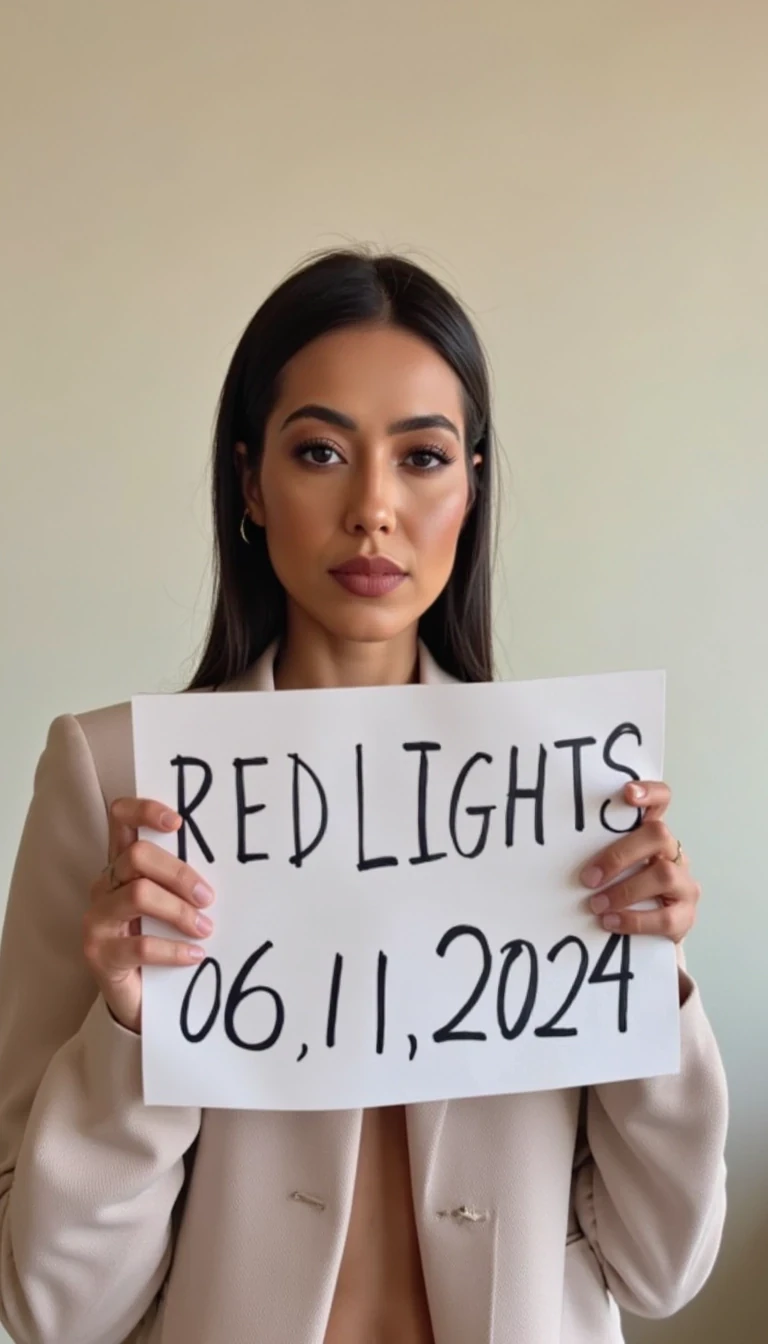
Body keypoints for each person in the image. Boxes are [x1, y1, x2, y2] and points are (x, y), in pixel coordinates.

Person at [0, 249, 727, 1344]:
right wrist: (129, 1033)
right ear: (250, 481)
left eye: (423, 456)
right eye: (321, 451)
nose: (373, 508)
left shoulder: (576, 795)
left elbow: (662, 1267)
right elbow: (53, 1308)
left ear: (472, 486)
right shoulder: (115, 783)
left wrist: (655, 984)